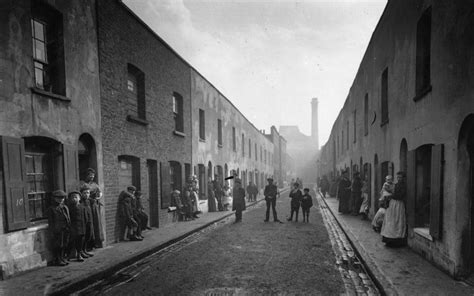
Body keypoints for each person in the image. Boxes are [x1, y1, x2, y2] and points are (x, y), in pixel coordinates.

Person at [381, 171, 407, 247]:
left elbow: (400, 195)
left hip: (398, 204)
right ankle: (388, 239)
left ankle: (396, 241)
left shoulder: (404, 186)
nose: (399, 179)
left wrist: (391, 195)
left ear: (403, 178)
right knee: (390, 220)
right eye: (398, 177)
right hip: (392, 204)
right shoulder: (396, 184)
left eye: (400, 177)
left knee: (397, 221)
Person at [80, 168, 103, 248]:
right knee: (88, 223)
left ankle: (95, 242)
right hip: (86, 204)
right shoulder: (82, 184)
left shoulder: (95, 184)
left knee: (95, 222)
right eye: (90, 176)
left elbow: (100, 192)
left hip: (93, 206)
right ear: (86, 175)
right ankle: (88, 244)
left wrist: (98, 197)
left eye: (93, 176)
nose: (91, 177)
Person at [47, 190, 71, 266]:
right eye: (59, 198)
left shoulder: (64, 207)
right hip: (57, 230)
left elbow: (68, 218)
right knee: (58, 245)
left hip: (65, 229)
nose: (61, 200)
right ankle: (58, 259)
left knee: (64, 244)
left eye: (62, 198)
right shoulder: (52, 209)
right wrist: (52, 232)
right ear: (54, 198)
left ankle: (62, 257)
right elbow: (51, 222)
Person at [67, 191, 86, 262]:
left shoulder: (82, 207)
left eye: (76, 197)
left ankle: (79, 254)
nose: (74, 199)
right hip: (73, 228)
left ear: (79, 198)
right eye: (72, 198)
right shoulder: (69, 208)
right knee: (71, 241)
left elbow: (85, 217)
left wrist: (85, 225)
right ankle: (68, 255)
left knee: (80, 241)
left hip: (81, 227)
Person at [79, 184, 95, 256]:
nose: (86, 195)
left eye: (88, 193)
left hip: (89, 221)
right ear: (81, 194)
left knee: (88, 235)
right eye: (84, 193)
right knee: (83, 237)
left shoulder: (89, 201)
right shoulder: (80, 202)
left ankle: (85, 249)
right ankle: (81, 251)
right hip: (82, 222)